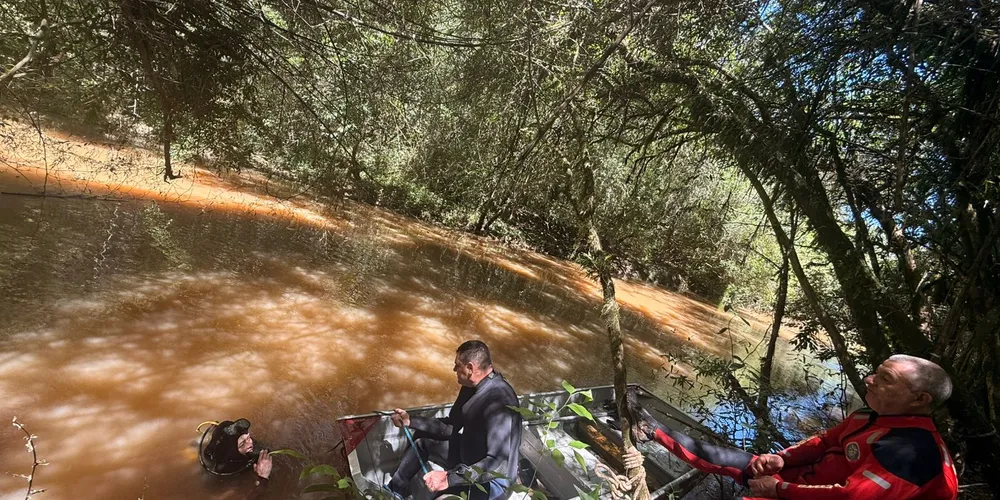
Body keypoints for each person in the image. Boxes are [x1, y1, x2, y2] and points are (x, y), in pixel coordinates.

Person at [624, 354, 959, 499]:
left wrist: (778, 490)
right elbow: (823, 441)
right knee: (725, 456)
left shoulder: (914, 453)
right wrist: (781, 460)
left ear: (920, 399)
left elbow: (851, 498)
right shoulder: (870, 417)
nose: (868, 379)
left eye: (884, 379)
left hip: (803, 496)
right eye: (875, 371)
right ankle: (649, 429)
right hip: (798, 483)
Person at [386, 340, 522, 500]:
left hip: (493, 482)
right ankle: (393, 490)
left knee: (442, 498)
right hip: (469, 455)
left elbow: (498, 464)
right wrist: (411, 421)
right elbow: (451, 426)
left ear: (470, 368)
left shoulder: (498, 403)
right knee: (422, 443)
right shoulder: (470, 387)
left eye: (457, 365)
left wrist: (449, 479)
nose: (454, 369)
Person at [201, 418, 273, 499]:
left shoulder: (253, 447)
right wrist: (262, 478)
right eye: (242, 444)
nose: (250, 443)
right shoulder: (224, 470)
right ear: (232, 452)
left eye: (248, 437)